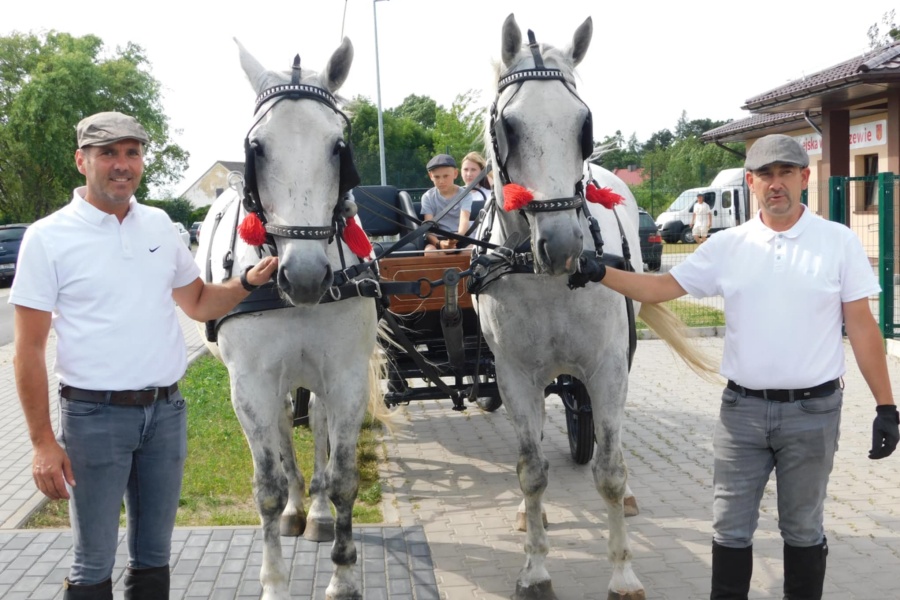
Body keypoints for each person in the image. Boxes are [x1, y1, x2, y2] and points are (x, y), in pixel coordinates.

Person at [593, 134, 899, 599]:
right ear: (751, 182)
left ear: (805, 177)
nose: (777, 184)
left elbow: (861, 327)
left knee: (802, 528)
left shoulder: (837, 242)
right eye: (766, 175)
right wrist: (597, 272)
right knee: (730, 528)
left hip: (813, 414)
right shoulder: (728, 245)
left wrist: (886, 406)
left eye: (786, 173)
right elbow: (657, 289)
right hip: (742, 414)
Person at [10, 111, 278, 600]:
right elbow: (26, 350)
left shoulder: (157, 224)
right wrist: (43, 442)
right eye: (108, 152)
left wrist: (245, 284)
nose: (122, 164)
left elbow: (196, 302)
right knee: (92, 563)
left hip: (166, 413)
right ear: (81, 161)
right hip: (94, 417)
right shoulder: (48, 237)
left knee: (154, 558)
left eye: (131, 152)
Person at [421, 153, 477, 252]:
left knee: (472, 250)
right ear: (431, 176)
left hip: (461, 237)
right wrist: (439, 244)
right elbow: (428, 229)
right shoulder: (427, 197)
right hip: (437, 239)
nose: (441, 181)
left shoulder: (465, 194)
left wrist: (456, 238)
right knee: (430, 252)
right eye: (437, 177)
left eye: (446, 176)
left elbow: (464, 219)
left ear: (455, 174)